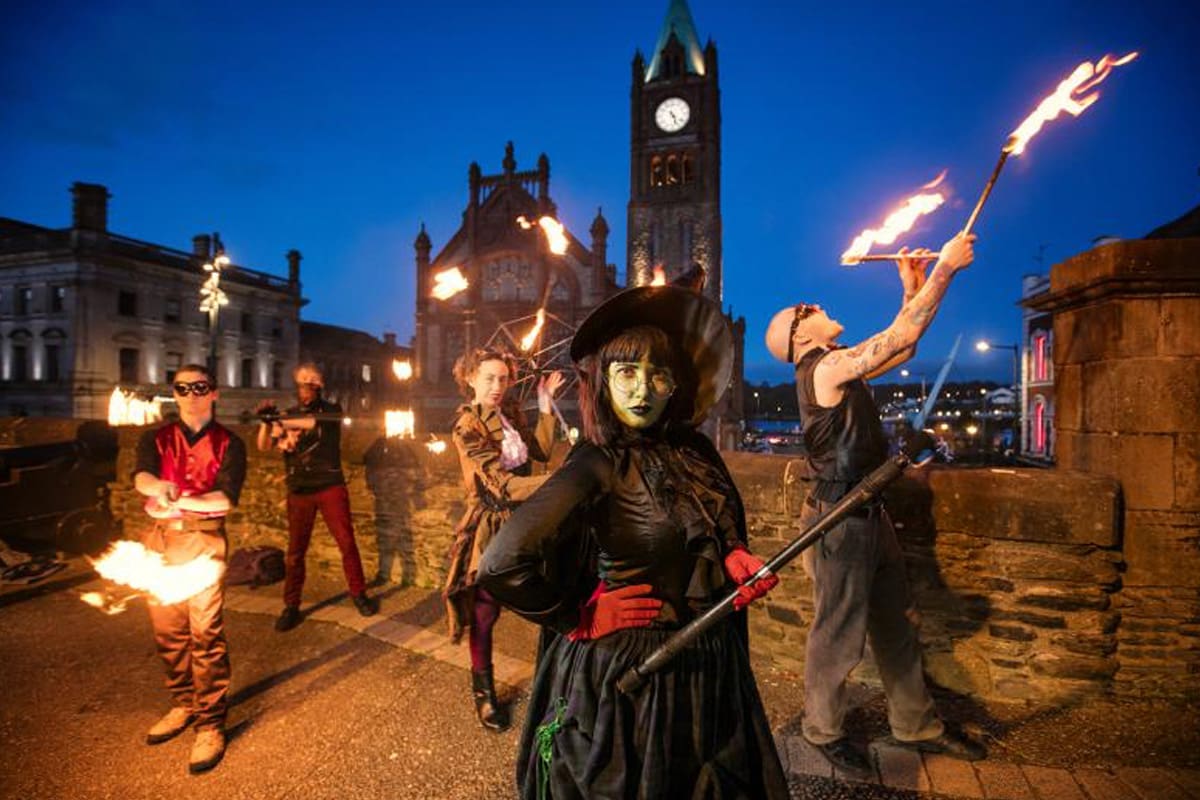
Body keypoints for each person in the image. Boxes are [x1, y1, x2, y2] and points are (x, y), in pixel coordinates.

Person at [478, 284, 788, 799]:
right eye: (626, 374)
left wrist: (732, 556)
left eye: (657, 375)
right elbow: (500, 562)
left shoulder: (695, 451)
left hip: (709, 663)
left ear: (674, 385)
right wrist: (576, 616)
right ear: (604, 381)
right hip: (633, 675)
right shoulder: (595, 462)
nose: (641, 391)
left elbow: (713, 520)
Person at [763, 232, 987, 775]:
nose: (818, 305)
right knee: (837, 633)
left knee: (894, 623)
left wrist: (911, 287)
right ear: (798, 336)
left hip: (868, 509)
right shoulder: (822, 368)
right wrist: (945, 271)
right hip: (839, 518)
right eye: (808, 309)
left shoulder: (838, 362)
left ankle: (916, 725)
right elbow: (896, 339)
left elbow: (903, 343)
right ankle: (822, 729)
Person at [133, 363, 246, 774]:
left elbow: (226, 498)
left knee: (205, 632)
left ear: (213, 393)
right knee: (168, 630)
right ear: (175, 393)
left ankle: (211, 723)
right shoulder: (155, 437)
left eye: (200, 387)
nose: (191, 394)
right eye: (183, 387)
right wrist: (157, 487)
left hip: (203, 539)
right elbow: (142, 476)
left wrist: (182, 502)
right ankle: (183, 703)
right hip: (161, 539)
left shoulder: (229, 443)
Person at [444, 349, 563, 731]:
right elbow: (502, 484)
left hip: (527, 518)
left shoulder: (512, 415)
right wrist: (559, 483)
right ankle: (483, 692)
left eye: (503, 379)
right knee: (485, 611)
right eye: (489, 379)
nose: (497, 387)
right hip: (492, 524)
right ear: (472, 379)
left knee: (552, 598)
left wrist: (546, 406)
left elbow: (542, 450)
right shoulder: (466, 426)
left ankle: (564, 685)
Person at [256, 363, 378, 632]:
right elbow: (264, 445)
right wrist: (266, 424)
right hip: (299, 488)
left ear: (320, 386)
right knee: (295, 551)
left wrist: (277, 419)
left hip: (328, 484)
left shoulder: (331, 411)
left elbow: (312, 422)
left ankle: (358, 593)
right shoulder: (288, 415)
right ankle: (291, 605)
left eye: (312, 383)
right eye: (302, 383)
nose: (306, 388)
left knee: (346, 542)